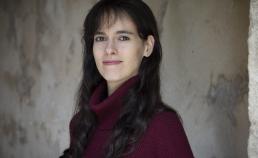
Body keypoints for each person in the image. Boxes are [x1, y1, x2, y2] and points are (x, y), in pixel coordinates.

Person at [60, 0, 194, 157]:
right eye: (100, 38)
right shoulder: (80, 124)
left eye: (123, 37)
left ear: (148, 46)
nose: (109, 49)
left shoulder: (162, 125)